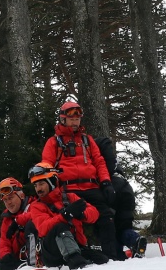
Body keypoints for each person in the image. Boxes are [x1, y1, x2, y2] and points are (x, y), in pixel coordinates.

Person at [40, 98, 122, 260]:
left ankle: (113, 257)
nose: (75, 122)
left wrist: (105, 182)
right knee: (70, 220)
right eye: (71, 119)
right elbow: (46, 167)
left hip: (92, 188)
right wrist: (54, 190)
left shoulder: (87, 140)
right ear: (63, 119)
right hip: (68, 190)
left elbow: (99, 162)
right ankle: (75, 255)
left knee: (106, 217)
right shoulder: (53, 143)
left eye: (77, 119)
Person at [25, 161, 103, 269]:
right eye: (36, 185)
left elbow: (94, 213)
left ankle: (76, 256)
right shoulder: (36, 206)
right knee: (59, 227)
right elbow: (43, 228)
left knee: (102, 260)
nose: (38, 189)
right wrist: (65, 215)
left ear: (51, 182)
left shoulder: (70, 197)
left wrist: (81, 215)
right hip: (52, 253)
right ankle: (76, 262)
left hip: (77, 246)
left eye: (41, 184)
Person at [96, 136, 145, 258]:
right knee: (124, 226)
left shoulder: (97, 157)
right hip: (126, 188)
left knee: (111, 227)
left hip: (112, 189)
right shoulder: (112, 158)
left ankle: (117, 255)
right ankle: (135, 240)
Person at [0, 177, 36, 270]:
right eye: (5, 200)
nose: (8, 203)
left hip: (37, 254)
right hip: (19, 259)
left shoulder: (34, 206)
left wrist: (18, 221)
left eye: (11, 198)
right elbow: (4, 242)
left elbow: (38, 216)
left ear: (21, 195)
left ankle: (33, 261)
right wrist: (6, 256)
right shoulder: (7, 219)